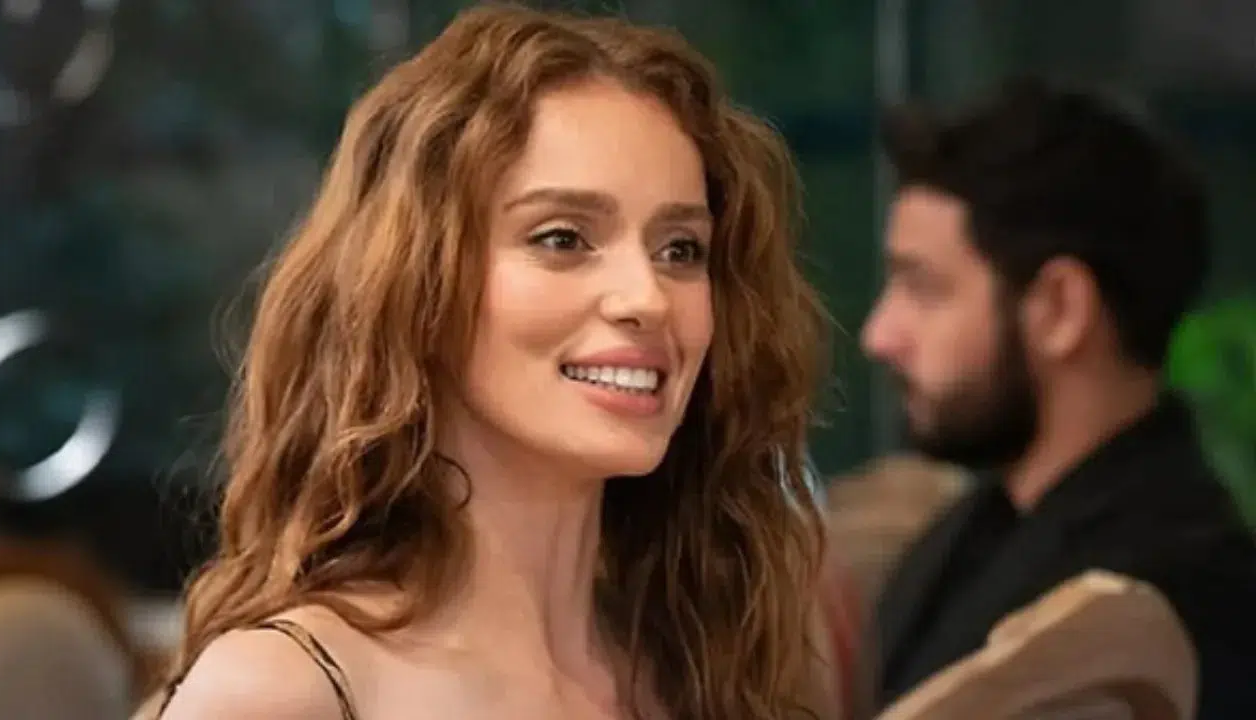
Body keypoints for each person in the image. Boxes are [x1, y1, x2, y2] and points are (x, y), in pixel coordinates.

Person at [156, 5, 845, 720]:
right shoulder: (287, 690)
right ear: (415, 280)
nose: (647, 298)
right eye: (563, 238)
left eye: (680, 249)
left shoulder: (718, 668)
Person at [861, 77, 1256, 719]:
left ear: (1061, 308)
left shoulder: (1178, 601)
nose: (880, 335)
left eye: (923, 288)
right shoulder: (968, 534)